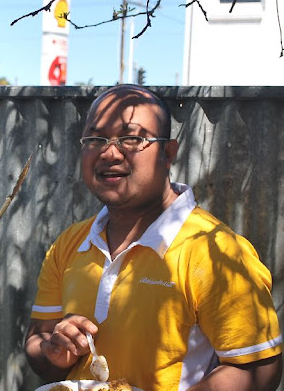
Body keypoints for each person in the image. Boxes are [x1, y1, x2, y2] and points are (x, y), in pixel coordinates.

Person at [25, 84, 283, 390]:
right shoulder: (71, 243)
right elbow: (37, 337)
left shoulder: (217, 252)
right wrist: (53, 352)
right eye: (95, 139)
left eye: (132, 139)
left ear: (168, 153)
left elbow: (259, 368)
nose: (109, 152)